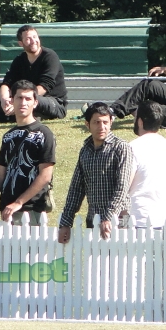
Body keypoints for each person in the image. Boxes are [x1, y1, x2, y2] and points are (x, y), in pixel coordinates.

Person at [0, 81, 57, 228]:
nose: (23, 102)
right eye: (19, 98)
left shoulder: (44, 133)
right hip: (7, 210)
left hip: (32, 210)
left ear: (35, 103)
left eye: (28, 99)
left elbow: (45, 176)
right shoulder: (8, 136)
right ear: (11, 100)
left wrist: (19, 202)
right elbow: (0, 174)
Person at [57, 102, 132, 243]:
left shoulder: (121, 148)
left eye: (105, 122)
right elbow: (76, 189)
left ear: (111, 122)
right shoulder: (85, 151)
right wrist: (66, 223)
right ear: (87, 124)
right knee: (95, 263)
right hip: (93, 218)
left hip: (120, 218)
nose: (101, 127)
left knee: (120, 262)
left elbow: (122, 187)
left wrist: (108, 217)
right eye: (96, 122)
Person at [122, 101, 166, 230]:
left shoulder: (131, 148)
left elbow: (124, 185)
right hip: (164, 221)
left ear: (140, 121)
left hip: (137, 219)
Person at [0, 25, 67, 122]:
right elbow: (7, 83)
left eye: (35, 37)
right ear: (21, 43)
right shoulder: (19, 60)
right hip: (29, 99)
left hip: (53, 102)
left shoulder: (50, 56)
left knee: (38, 101)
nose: (33, 41)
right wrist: (4, 100)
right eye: (28, 39)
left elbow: (45, 86)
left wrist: (22, 101)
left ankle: (16, 115)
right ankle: (25, 115)